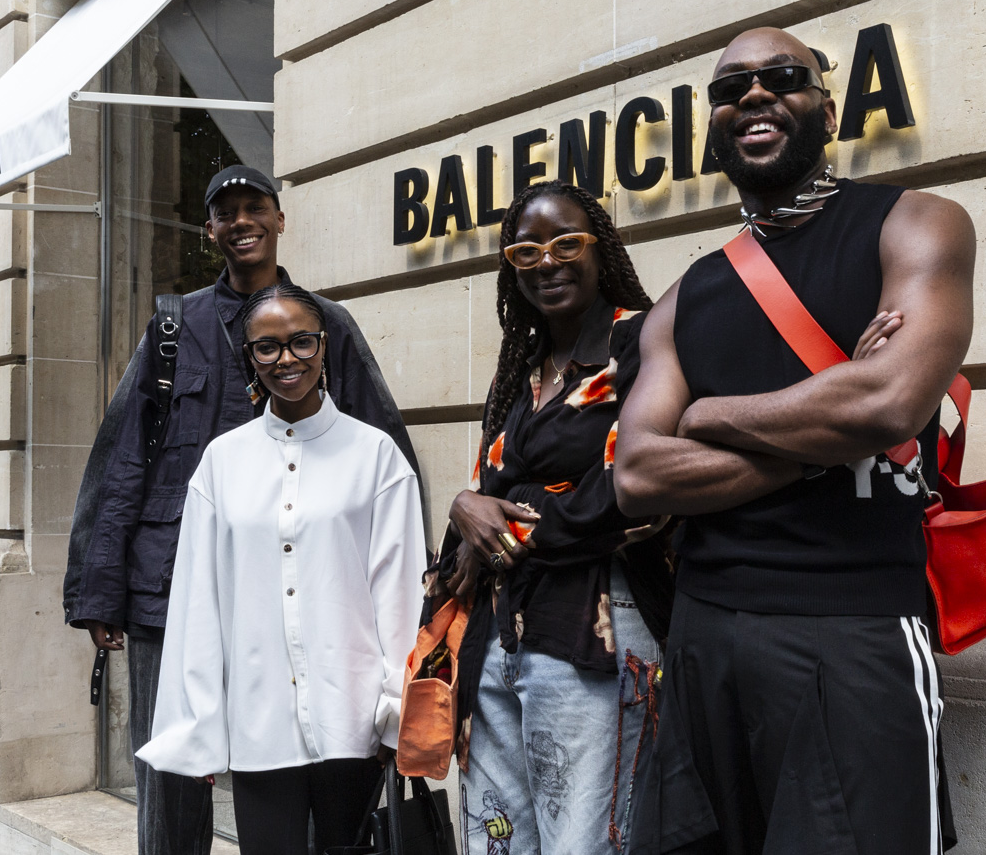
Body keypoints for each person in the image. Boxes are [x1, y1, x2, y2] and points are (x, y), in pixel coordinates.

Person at [615, 27, 975, 854]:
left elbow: (886, 402)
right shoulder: (684, 296)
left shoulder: (916, 224)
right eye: (729, 87)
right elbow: (636, 474)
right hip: (702, 634)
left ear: (828, 108)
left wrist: (707, 415)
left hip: (852, 628)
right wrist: (825, 423)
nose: (753, 93)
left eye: (782, 76)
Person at [63, 165, 422, 855]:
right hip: (167, 589)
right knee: (174, 774)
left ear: (280, 219)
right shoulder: (174, 327)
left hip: (302, 594)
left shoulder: (327, 324)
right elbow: (123, 453)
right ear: (210, 230)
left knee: (314, 765)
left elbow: (382, 454)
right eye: (226, 212)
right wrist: (98, 585)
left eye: (255, 206)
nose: (242, 221)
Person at [427, 180, 673, 855]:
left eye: (566, 243)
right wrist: (463, 506)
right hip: (500, 632)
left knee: (583, 842)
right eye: (526, 250)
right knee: (497, 840)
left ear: (600, 248)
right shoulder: (523, 368)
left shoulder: (640, 340)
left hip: (593, 630)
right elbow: (483, 494)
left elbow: (636, 492)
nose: (546, 261)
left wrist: (503, 523)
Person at [136, 283, 425, 855]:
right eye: (266, 347)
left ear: (323, 346)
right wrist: (199, 726)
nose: (286, 359)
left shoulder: (376, 456)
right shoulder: (222, 462)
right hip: (259, 722)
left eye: (301, 342)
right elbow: (199, 601)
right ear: (250, 358)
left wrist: (397, 712)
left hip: (355, 721)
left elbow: (400, 595)